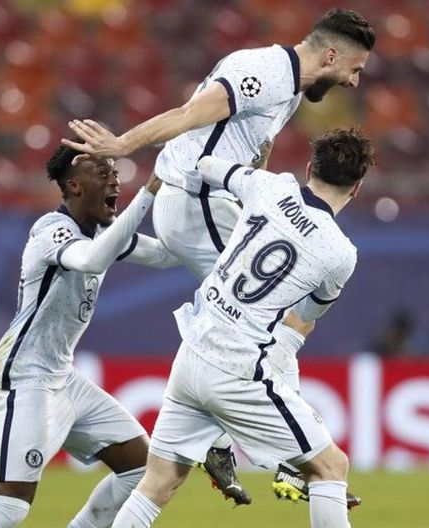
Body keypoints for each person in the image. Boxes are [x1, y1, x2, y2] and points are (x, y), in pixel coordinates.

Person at [63, 7, 375, 506]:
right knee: (265, 316)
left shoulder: (290, 89)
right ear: (332, 55)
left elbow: (256, 150)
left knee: (251, 316)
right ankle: (277, 455)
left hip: (203, 203)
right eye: (355, 69)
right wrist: (122, 145)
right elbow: (188, 114)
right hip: (195, 198)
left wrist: (258, 201)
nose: (354, 82)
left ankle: (225, 436)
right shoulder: (263, 72)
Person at [111, 128, 374, 528]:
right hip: (237, 370)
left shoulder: (269, 186)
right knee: (330, 467)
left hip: (192, 352)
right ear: (356, 188)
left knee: (158, 483)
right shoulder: (341, 254)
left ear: (309, 169)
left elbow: (206, 164)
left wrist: (247, 154)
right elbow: (303, 319)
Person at [0, 143, 179, 528]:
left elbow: (164, 255)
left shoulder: (104, 231)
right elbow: (91, 259)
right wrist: (147, 193)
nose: (115, 181)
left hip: (62, 376)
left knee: (141, 470)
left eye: (115, 173)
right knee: (9, 506)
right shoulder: (52, 230)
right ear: (74, 185)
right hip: (24, 375)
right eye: (103, 173)